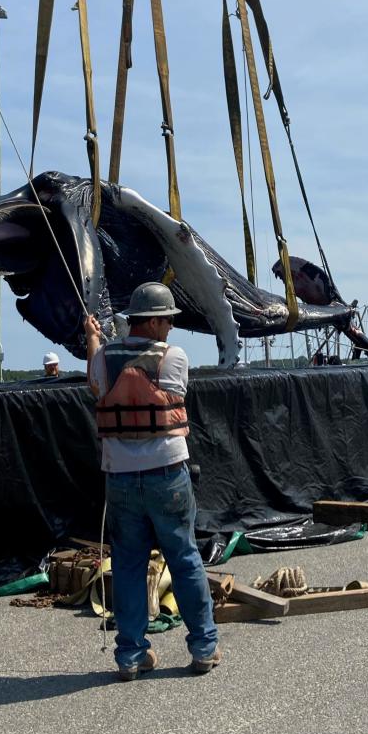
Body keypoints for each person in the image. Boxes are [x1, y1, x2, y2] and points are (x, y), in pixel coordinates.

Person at [85, 282, 220, 681]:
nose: (172, 329)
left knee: (127, 565)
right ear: (155, 320)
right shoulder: (175, 359)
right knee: (184, 557)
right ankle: (203, 649)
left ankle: (130, 655)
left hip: (121, 479)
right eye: (169, 320)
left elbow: (98, 384)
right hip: (168, 475)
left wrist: (95, 339)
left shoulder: (105, 357)